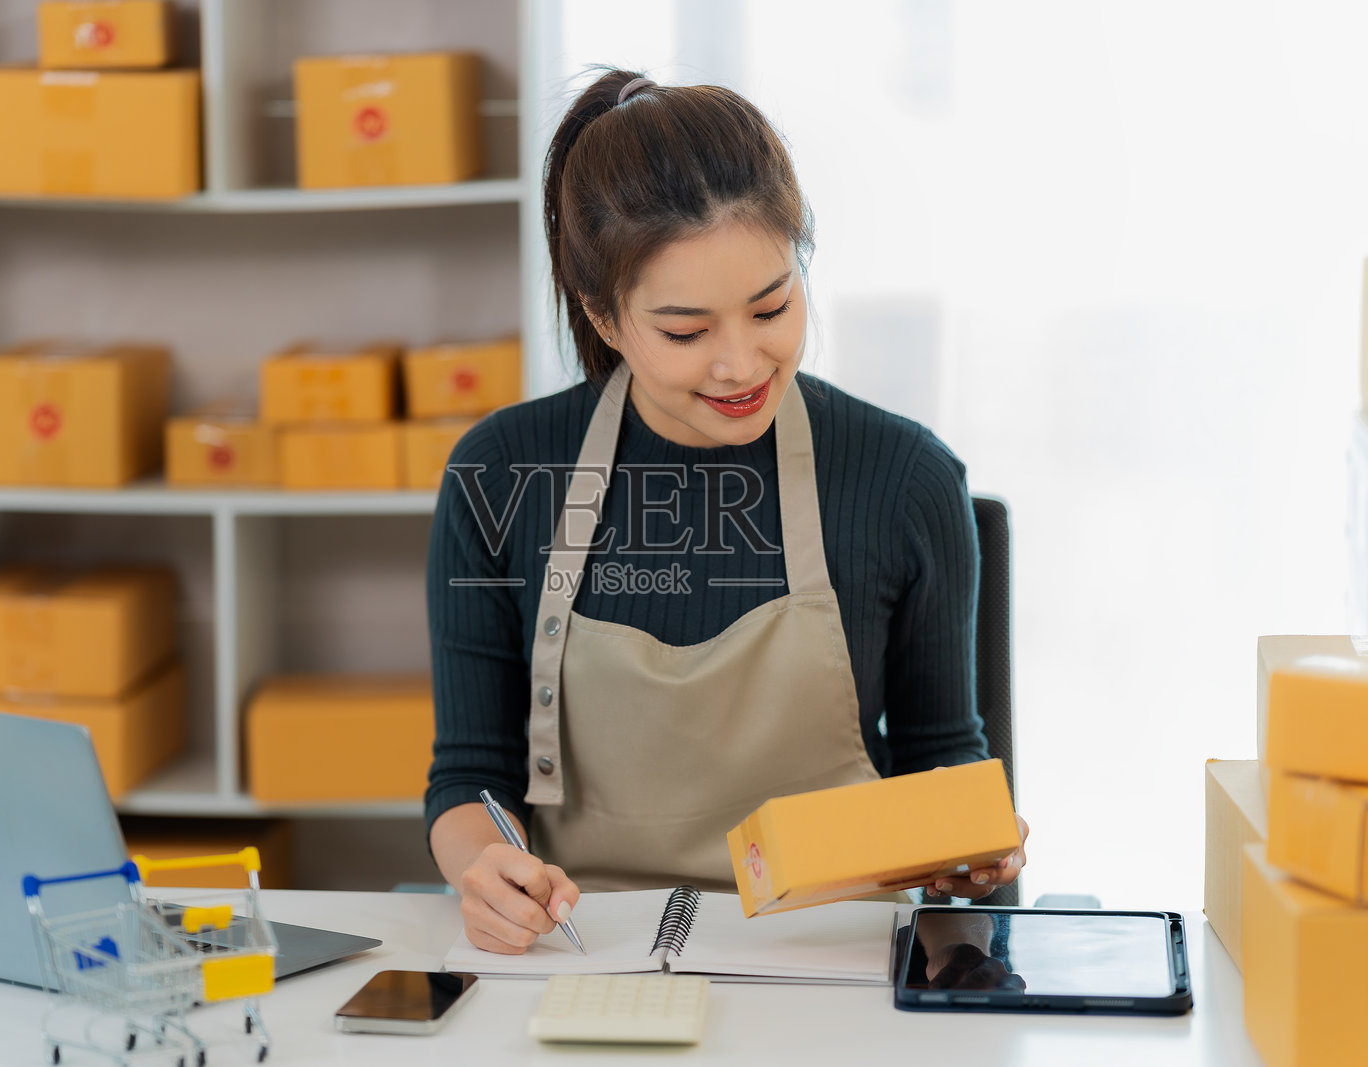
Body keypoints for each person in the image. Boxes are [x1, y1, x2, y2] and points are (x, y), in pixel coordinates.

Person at [424, 68, 1029, 955]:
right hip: (586, 949)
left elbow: (947, 753)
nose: (742, 363)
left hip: (833, 955)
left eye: (773, 306)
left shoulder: (906, 480)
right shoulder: (499, 473)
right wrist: (485, 867)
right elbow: (469, 779)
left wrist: (969, 845)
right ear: (604, 313)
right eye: (686, 330)